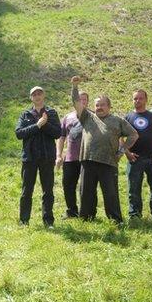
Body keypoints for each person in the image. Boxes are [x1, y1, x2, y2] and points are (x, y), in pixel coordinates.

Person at [70, 76, 138, 224]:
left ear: (109, 106)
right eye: (97, 105)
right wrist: (74, 87)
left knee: (111, 193)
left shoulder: (118, 120)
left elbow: (134, 134)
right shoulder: (87, 117)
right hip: (88, 159)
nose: (99, 107)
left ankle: (115, 220)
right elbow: (76, 103)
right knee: (86, 192)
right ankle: (87, 218)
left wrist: (122, 151)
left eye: (102, 105)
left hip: (109, 161)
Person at [14, 86, 61, 227]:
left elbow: (58, 133)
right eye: (34, 94)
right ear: (31, 98)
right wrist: (38, 125)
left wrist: (45, 124)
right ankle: (24, 221)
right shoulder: (25, 114)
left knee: (48, 191)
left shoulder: (51, 113)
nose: (37, 96)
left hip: (47, 158)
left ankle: (48, 221)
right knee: (26, 191)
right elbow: (19, 133)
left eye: (39, 93)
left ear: (44, 95)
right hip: (29, 158)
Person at [124, 89, 152, 224]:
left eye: (140, 98)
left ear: (146, 100)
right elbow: (119, 136)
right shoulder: (127, 117)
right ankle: (135, 216)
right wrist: (127, 152)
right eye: (135, 98)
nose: (137, 101)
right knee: (134, 189)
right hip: (135, 159)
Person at [56, 90, 89, 219]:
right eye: (79, 99)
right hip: (70, 158)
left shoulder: (92, 116)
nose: (81, 101)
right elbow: (61, 137)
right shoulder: (67, 117)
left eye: (84, 99)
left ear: (87, 101)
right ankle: (72, 211)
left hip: (87, 158)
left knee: (86, 187)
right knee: (68, 185)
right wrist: (59, 155)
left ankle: (86, 213)